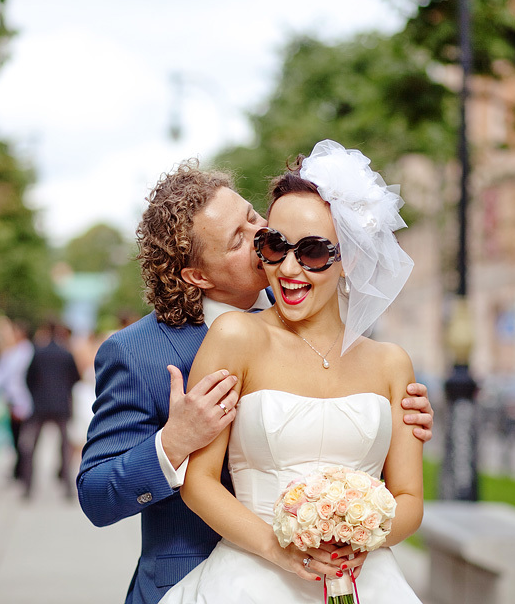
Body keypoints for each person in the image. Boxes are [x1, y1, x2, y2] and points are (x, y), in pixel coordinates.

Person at [77, 157, 434, 604]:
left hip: (350, 577)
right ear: (198, 275)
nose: (262, 241)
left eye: (253, 220)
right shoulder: (138, 353)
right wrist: (172, 444)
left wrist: (397, 422)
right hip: (215, 578)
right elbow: (96, 493)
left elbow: (370, 465)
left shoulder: (323, 305)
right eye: (238, 241)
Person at [20, 320, 81, 499]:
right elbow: (75, 377)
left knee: (31, 446)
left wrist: (36, 394)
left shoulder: (38, 353)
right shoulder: (66, 353)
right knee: (64, 447)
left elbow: (28, 378)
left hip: (40, 405)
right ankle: (68, 487)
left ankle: (28, 487)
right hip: (61, 404)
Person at [0, 316, 34, 478]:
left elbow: (5, 376)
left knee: (22, 438)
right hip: (12, 399)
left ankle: (22, 469)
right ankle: (19, 468)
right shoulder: (13, 352)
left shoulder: (25, 352)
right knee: (15, 436)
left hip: (22, 400)